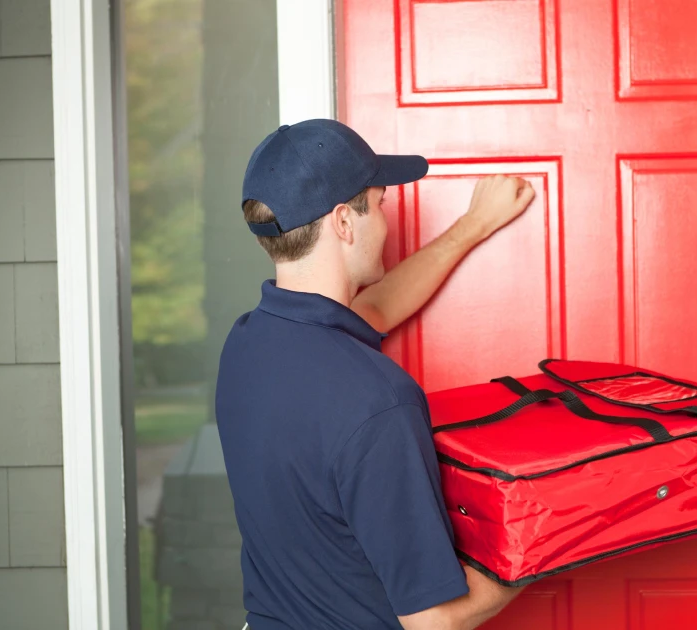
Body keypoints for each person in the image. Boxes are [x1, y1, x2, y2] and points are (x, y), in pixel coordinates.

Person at [216, 119, 536, 630]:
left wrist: (474, 224)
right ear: (345, 222)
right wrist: (539, 548)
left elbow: (377, 308)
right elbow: (433, 620)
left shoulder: (249, 344)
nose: (387, 221)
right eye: (381, 204)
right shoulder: (378, 400)